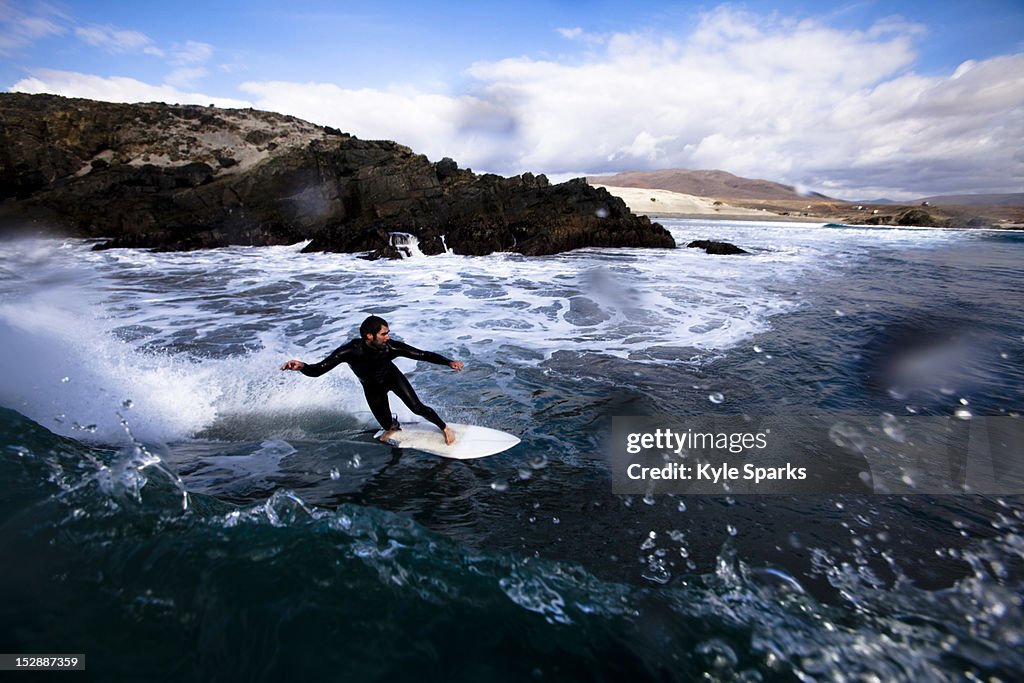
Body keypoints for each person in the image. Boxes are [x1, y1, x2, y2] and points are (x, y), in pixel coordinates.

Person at [281, 315, 464, 444]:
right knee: (387, 426)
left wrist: (448, 362)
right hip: (371, 387)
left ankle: (444, 427)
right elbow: (318, 370)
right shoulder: (350, 351)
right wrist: (303, 366)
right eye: (384, 334)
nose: (388, 337)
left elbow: (422, 354)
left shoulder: (389, 348)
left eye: (387, 333)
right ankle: (394, 426)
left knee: (417, 407)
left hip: (392, 377)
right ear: (369, 335)